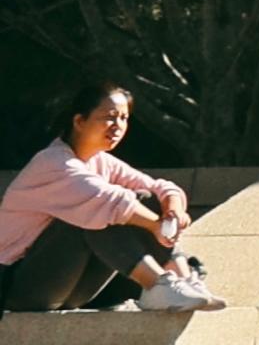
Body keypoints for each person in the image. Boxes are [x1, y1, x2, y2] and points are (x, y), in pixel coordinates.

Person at [2, 83, 202, 312]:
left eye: (124, 118)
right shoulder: (52, 163)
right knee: (97, 213)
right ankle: (159, 285)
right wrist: (157, 225)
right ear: (79, 121)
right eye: (109, 117)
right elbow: (108, 201)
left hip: (69, 289)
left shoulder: (101, 162)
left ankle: (184, 281)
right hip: (16, 287)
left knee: (144, 199)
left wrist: (173, 210)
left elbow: (158, 188)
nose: (118, 126)